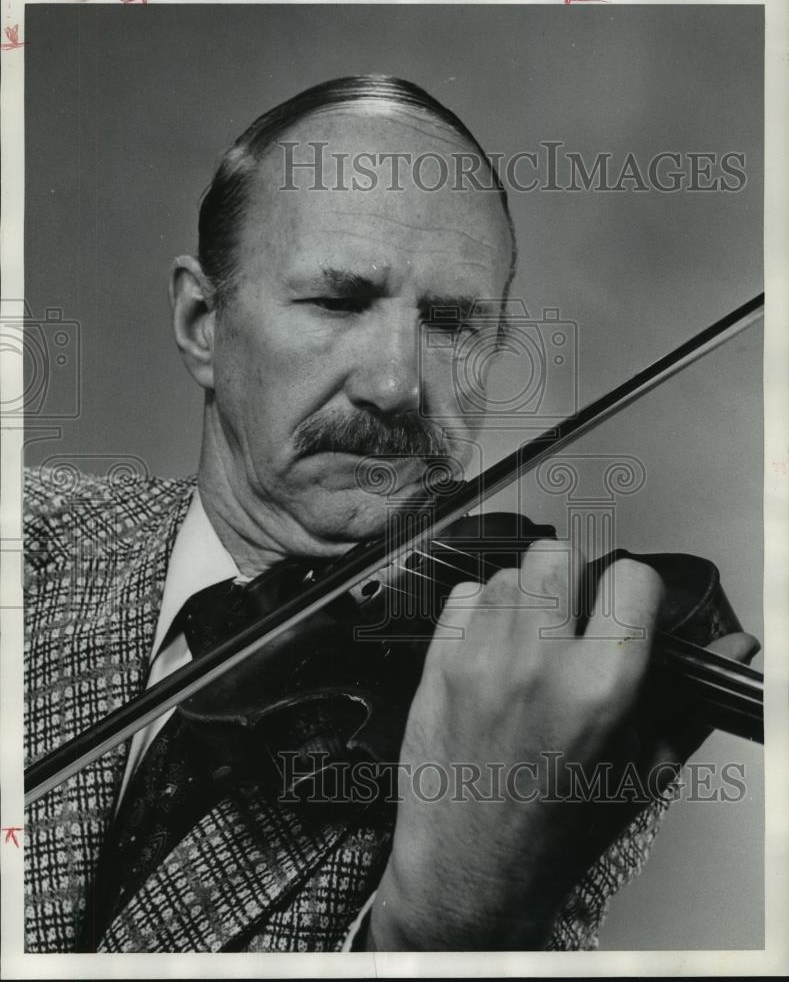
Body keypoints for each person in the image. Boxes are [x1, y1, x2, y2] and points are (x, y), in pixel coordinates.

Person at [23, 75, 758, 953]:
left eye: (451, 325)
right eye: (338, 302)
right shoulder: (26, 530)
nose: (397, 386)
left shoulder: (538, 692)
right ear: (201, 323)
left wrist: (454, 919)